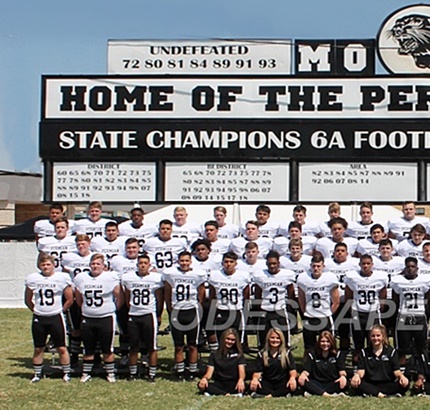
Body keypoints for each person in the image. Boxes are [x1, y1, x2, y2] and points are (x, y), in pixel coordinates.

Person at [74, 254, 124, 383]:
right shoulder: (81, 278)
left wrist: (110, 309)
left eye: (98, 264)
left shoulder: (110, 277)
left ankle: (110, 373)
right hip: (88, 317)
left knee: (107, 348)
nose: (95, 266)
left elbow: (119, 297)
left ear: (103, 265)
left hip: (106, 317)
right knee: (88, 347)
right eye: (93, 264)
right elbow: (79, 299)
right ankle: (86, 372)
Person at [25, 253, 74, 383]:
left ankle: (66, 373)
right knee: (38, 347)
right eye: (43, 264)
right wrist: (36, 310)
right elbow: (28, 299)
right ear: (39, 266)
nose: (45, 267)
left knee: (61, 347)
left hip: (56, 316)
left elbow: (69, 299)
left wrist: (60, 311)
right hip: (39, 317)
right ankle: (37, 374)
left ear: (53, 265)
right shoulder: (33, 278)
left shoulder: (62, 278)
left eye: (48, 264)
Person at [163, 251, 206, 380]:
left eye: (187, 261)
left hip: (191, 310)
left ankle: (192, 370)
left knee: (193, 344)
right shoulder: (171, 274)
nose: (184, 263)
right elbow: (167, 291)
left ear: (191, 262)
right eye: (182, 261)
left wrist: (199, 307)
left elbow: (201, 292)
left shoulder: (197, 274)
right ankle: (180, 371)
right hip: (177, 311)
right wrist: (170, 308)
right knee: (178, 344)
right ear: (178, 261)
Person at [121, 254, 164, 382]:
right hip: (134, 314)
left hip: (148, 314)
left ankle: (152, 373)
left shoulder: (155, 279)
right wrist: (132, 309)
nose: (143, 265)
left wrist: (159, 314)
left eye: (145, 263)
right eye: (141, 263)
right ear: (137, 264)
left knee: (151, 346)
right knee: (133, 346)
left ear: (149, 265)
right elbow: (128, 297)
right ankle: (133, 373)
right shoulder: (129, 278)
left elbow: (159, 298)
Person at [344, 254, 388, 365]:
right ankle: (357, 367)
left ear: (372, 264)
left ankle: (372, 365)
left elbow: (383, 294)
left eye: (368, 263)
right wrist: (351, 309)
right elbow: (348, 295)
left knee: (374, 342)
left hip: (373, 313)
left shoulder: (380, 278)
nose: (365, 266)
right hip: (358, 312)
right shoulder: (352, 277)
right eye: (363, 263)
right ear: (359, 264)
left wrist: (380, 307)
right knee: (357, 343)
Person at [296, 252, 339, 356]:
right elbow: (301, 299)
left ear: (323, 266)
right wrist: (305, 312)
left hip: (325, 316)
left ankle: (330, 366)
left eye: (318, 266)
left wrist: (328, 313)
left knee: (329, 344)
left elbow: (336, 301)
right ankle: (308, 367)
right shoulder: (303, 278)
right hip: (309, 316)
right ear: (310, 266)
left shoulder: (330, 278)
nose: (316, 268)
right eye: (314, 266)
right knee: (308, 346)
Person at [391, 257, 430, 368]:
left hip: (419, 316)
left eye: (413, 267)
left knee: (421, 347)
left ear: (417, 268)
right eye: (408, 267)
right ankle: (402, 372)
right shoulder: (398, 281)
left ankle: (421, 372)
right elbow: (395, 299)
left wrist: (425, 313)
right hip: (404, 316)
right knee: (402, 347)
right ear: (405, 268)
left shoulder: (425, 281)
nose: (410, 269)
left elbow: (427, 299)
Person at [351, 324, 409, 397]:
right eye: (373, 336)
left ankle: (373, 392)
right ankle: (380, 394)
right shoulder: (364, 352)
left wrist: (401, 376)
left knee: (405, 384)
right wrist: (357, 376)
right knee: (355, 383)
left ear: (383, 337)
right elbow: (361, 371)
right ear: (369, 337)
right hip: (370, 383)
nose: (375, 338)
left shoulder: (391, 352)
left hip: (387, 384)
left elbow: (396, 371)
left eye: (378, 335)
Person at [61, 234, 93, 366]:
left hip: (90, 296)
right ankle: (74, 355)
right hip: (75, 295)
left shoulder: (94, 256)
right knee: (75, 328)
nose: (81, 246)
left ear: (89, 244)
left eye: (83, 243)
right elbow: (64, 273)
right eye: (79, 244)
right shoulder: (69, 257)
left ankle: (94, 355)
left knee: (91, 327)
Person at [253, 251, 295, 348]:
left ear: (279, 263)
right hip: (265, 309)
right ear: (266, 263)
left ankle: (284, 360)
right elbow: (257, 294)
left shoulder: (286, 275)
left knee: (284, 340)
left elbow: (291, 293)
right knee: (263, 341)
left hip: (280, 311)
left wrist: (289, 306)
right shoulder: (260, 275)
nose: (272, 266)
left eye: (274, 263)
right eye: (270, 263)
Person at [207, 252, 251, 347]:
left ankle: (237, 360)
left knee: (238, 340)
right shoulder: (215, 275)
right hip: (221, 310)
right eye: (226, 261)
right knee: (221, 339)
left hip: (236, 310)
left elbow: (246, 296)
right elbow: (212, 296)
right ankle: (222, 359)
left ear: (236, 263)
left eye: (231, 261)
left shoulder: (243, 276)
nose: (228, 264)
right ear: (222, 263)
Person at [249, 328, 298, 398]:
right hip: (268, 382)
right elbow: (258, 372)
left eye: (278, 338)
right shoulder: (262, 354)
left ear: (281, 340)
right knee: (255, 385)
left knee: (292, 385)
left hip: (282, 382)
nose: (275, 340)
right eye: (272, 338)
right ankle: (279, 394)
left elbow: (293, 370)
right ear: (268, 339)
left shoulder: (287, 353)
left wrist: (292, 378)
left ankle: (268, 395)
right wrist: (255, 379)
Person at [197, 328, 246, 396]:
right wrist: (204, 379)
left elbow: (242, 372)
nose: (230, 341)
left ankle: (218, 392)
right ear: (223, 339)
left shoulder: (239, 354)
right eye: (228, 339)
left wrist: (241, 380)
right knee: (201, 384)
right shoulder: (214, 354)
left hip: (233, 383)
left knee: (247, 386)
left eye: (232, 340)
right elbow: (209, 373)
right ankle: (225, 394)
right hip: (220, 382)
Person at [298, 331, 348, 396]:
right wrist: (303, 375)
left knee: (345, 382)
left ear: (332, 342)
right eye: (322, 341)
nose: (325, 344)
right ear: (319, 342)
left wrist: (343, 377)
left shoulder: (337, 355)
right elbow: (306, 371)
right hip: (317, 382)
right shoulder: (312, 354)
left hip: (332, 382)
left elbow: (342, 371)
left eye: (328, 341)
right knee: (303, 381)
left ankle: (315, 391)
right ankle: (326, 394)